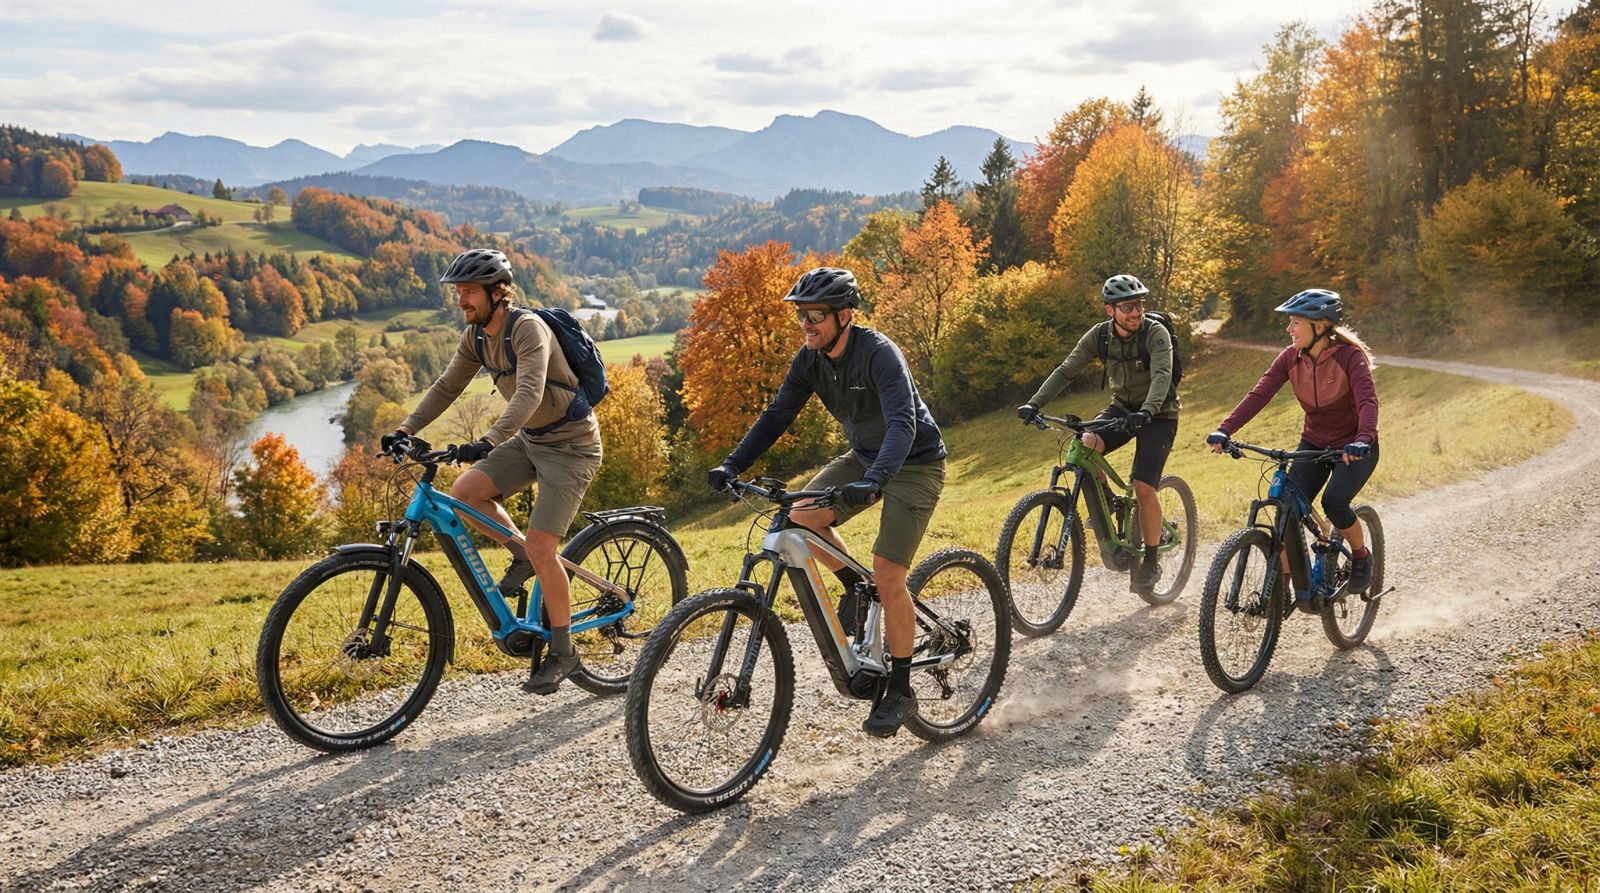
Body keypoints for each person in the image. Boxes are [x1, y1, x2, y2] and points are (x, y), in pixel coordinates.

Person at [708, 266, 948, 738]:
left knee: (889, 571)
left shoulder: (880, 354)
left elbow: (903, 424)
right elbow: (777, 415)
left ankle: (900, 688)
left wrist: (877, 480)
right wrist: (732, 464)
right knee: (798, 519)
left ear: (845, 316)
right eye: (801, 316)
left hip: (914, 463)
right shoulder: (810, 360)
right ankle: (854, 588)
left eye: (815, 315)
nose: (806, 324)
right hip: (863, 457)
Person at [382, 248, 603, 694]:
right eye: (458, 293)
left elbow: (529, 390)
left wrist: (488, 440)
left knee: (545, 547)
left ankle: (564, 652)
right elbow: (446, 386)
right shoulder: (477, 338)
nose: (461, 301)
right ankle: (520, 553)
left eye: (468, 293)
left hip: (572, 446)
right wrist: (404, 429)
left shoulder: (528, 329)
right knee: (465, 493)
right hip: (532, 439)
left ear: (498, 293)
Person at [1205, 288, 1379, 604]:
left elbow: (1367, 399)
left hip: (1354, 446)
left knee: (1335, 501)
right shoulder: (1290, 357)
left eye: (1295, 322)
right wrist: (1225, 429)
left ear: (1321, 326)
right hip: (1313, 444)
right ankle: (1283, 584)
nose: (1289, 329)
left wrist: (1363, 438)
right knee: (1286, 506)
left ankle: (1360, 555)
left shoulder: (1349, 358)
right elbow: (1258, 395)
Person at [1016, 274, 1181, 594]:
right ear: (1111, 311)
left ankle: (1149, 561)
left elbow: (1162, 375)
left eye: (1140, 304)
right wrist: (1034, 404)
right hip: (1122, 408)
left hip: (1159, 414)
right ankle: (1110, 503)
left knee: (1144, 486)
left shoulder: (1156, 333)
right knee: (1083, 445)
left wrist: (1147, 411)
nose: (1137, 312)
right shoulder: (1100, 336)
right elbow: (1067, 369)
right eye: (1128, 306)